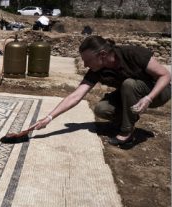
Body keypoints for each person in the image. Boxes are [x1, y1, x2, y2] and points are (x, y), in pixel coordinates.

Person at [31, 35, 171, 147]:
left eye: (88, 60)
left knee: (129, 84)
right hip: (131, 94)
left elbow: (165, 75)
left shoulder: (131, 53)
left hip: (159, 92)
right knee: (102, 109)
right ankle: (128, 119)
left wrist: (148, 98)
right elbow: (76, 95)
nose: (85, 65)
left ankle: (127, 133)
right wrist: (48, 118)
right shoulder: (97, 69)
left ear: (102, 54)